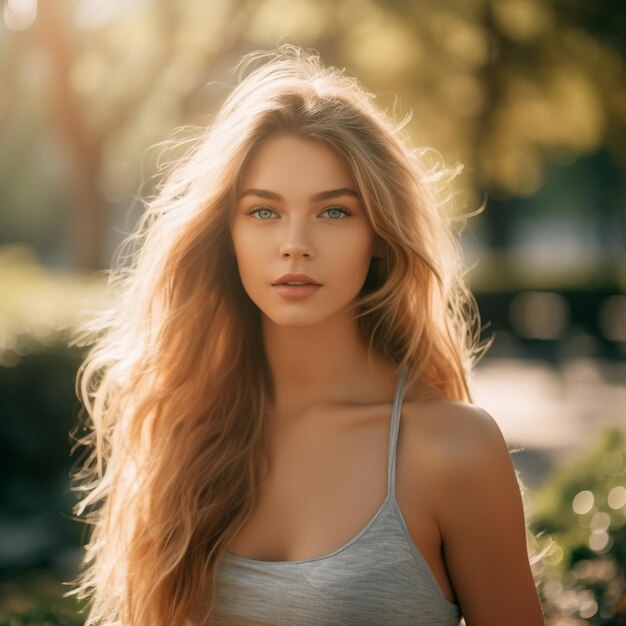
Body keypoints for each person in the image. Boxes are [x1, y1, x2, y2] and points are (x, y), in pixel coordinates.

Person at [69, 45, 545, 626]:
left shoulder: (452, 449)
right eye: (264, 212)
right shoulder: (182, 429)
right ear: (227, 235)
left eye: (334, 212)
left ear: (379, 236)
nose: (295, 243)